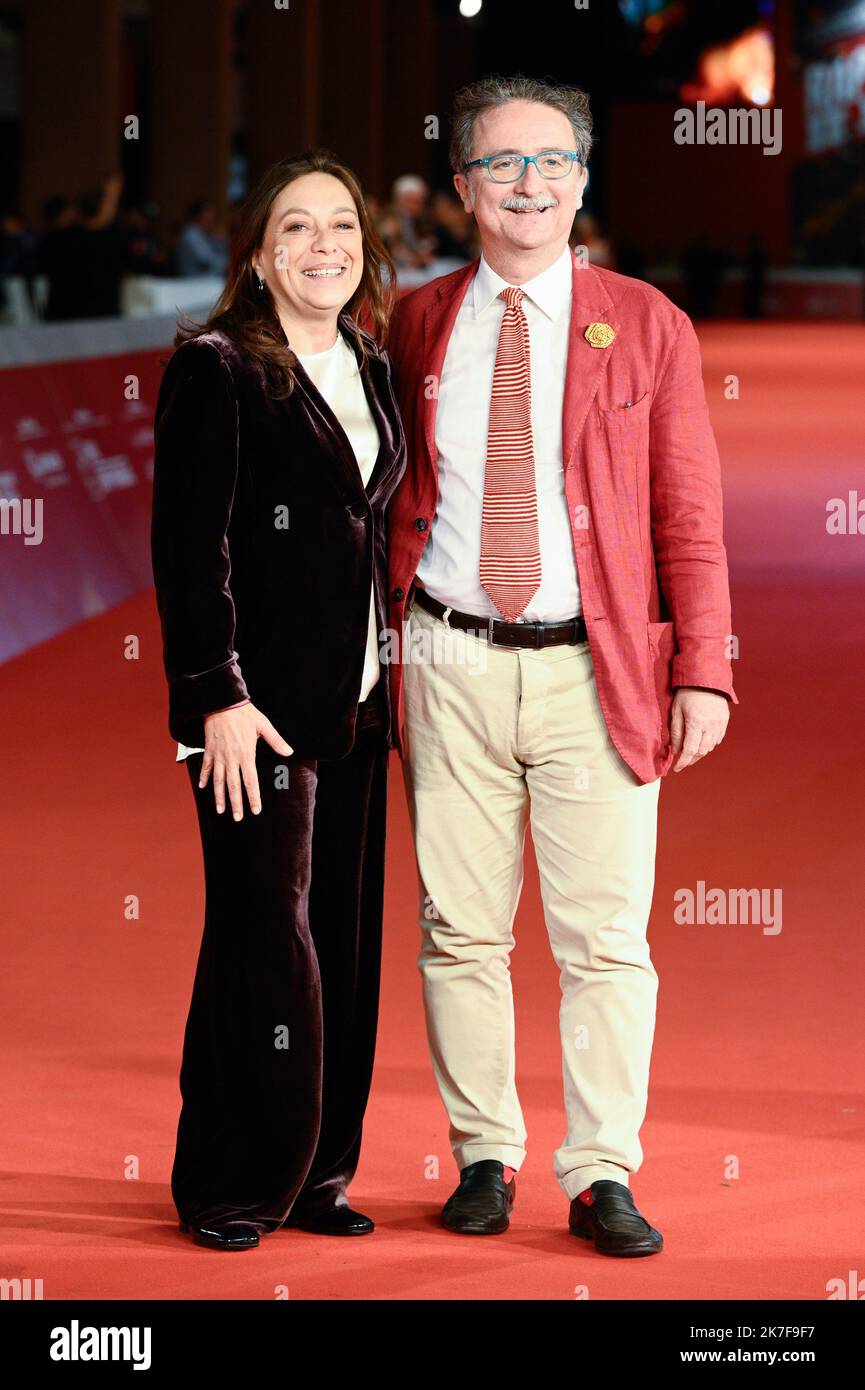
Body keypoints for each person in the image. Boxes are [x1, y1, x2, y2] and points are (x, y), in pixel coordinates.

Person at [385, 76, 737, 1255]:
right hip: (447, 658)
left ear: (583, 180)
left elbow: (688, 510)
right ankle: (484, 1153)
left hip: (599, 668)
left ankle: (600, 1172)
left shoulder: (645, 322)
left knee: (604, 939)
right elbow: (387, 498)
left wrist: (704, 665)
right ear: (462, 187)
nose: (526, 184)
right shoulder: (419, 320)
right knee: (459, 930)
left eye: (550, 162)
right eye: (499, 164)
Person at [151, 150, 406, 1251]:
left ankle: (316, 1174)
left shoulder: (370, 363)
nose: (324, 248)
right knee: (264, 944)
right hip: (252, 718)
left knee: (343, 946)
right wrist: (213, 694)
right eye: (296, 229)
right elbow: (185, 545)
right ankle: (226, 1180)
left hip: (355, 707)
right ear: (256, 256)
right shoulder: (215, 368)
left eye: (341, 227)